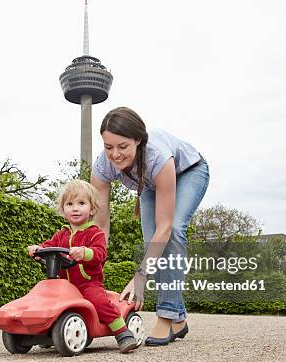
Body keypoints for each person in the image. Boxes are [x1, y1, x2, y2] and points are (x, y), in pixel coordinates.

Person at [90, 107, 210, 346]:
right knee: (151, 245)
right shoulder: (102, 166)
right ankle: (179, 320)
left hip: (189, 172)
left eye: (123, 146)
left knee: (172, 232)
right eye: (108, 146)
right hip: (149, 184)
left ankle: (166, 315)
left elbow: (164, 229)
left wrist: (140, 278)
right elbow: (100, 223)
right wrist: (93, 267)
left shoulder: (157, 155)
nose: (115, 155)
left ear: (138, 140)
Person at [27, 179, 138, 353]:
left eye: (81, 203)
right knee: (45, 300)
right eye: (69, 204)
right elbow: (47, 246)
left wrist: (85, 253)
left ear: (92, 209)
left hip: (88, 284)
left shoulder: (95, 234)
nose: (75, 208)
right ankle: (47, 330)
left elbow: (100, 254)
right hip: (65, 286)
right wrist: (37, 249)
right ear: (63, 210)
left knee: (99, 302)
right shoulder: (61, 234)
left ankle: (123, 332)